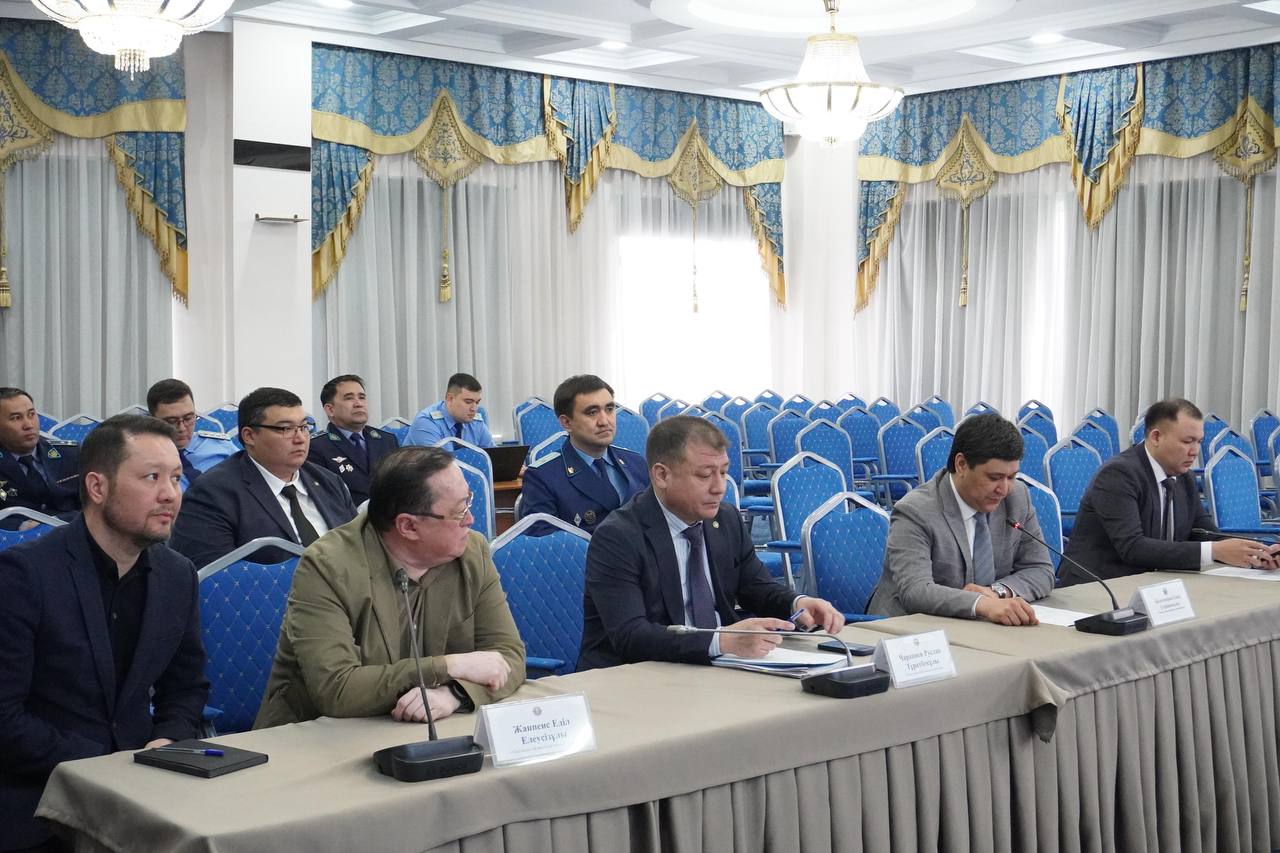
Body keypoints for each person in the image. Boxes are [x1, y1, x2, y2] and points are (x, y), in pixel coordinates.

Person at [0, 415, 208, 851]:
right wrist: (108, 766)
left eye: (175, 478)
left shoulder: (177, 574)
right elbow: (5, 718)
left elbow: (186, 687)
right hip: (40, 797)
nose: (170, 494)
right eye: (151, 477)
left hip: (147, 788)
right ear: (97, 487)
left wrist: (167, 740)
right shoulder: (24, 575)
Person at [255, 446, 525, 728]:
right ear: (408, 526)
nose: (470, 520)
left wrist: (455, 693)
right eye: (459, 511)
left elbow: (508, 656)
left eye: (468, 502)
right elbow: (336, 690)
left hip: (429, 729)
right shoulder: (327, 567)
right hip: (320, 735)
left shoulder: (472, 552)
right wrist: (449, 666)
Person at [578, 416, 844, 671]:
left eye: (724, 472)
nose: (719, 487)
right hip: (638, 675)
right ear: (661, 476)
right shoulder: (618, 536)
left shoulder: (726, 519)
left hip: (720, 667)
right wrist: (721, 640)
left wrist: (797, 603)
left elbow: (756, 588)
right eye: (705, 475)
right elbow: (631, 636)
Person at [1062, 398, 1280, 584]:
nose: (1194, 451)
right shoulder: (1119, 474)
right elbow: (1132, 547)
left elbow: (1204, 532)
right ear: (1156, 437)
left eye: (1199, 442)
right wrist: (1215, 550)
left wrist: (1260, 553)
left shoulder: (1184, 476)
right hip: (1099, 584)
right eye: (1187, 442)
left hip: (1153, 583)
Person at [867, 413, 1055, 625]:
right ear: (962, 464)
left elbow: (1041, 570)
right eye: (994, 478)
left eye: (1011, 477)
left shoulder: (1017, 498)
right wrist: (981, 603)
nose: (1004, 489)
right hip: (910, 628)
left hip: (980, 627)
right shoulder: (916, 511)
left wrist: (996, 592)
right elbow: (916, 591)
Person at [169, 387, 357, 568]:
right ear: (249, 436)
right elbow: (216, 578)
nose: (300, 438)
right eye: (286, 428)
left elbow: (360, 549)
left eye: (304, 427)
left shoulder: (330, 482)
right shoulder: (212, 494)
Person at [519, 375, 648, 533]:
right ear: (567, 422)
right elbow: (545, 543)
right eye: (592, 413)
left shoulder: (637, 462)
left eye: (609, 409)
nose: (604, 421)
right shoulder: (543, 476)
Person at [307, 374, 399, 505]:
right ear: (330, 409)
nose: (358, 404)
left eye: (362, 397)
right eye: (349, 398)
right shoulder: (316, 447)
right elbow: (323, 497)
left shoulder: (386, 440)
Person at [0, 387, 81, 525]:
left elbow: (95, 506)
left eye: (31, 414)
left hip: (71, 530)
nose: (28, 425)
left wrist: (57, 521)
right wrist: (21, 527)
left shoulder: (70, 454)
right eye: (16, 418)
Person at [145, 378, 236, 491]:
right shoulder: (142, 457)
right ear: (152, 420)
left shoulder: (222, 447)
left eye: (188, 418)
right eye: (171, 421)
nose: (182, 428)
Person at [406, 373, 494, 448]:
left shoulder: (476, 422)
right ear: (450, 398)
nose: (474, 408)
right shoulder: (426, 422)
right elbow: (436, 462)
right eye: (468, 402)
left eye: (477, 402)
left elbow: (492, 456)